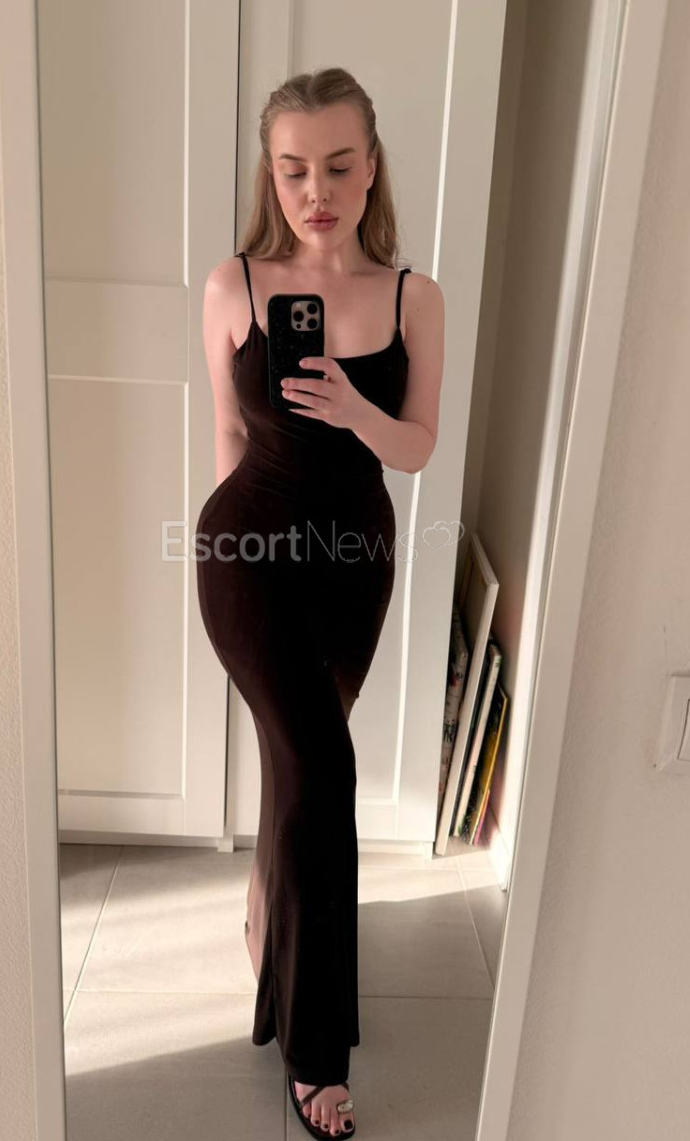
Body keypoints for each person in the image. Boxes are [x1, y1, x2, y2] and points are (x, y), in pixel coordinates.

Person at [195, 66, 443, 1139]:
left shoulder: (413, 297)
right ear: (271, 173)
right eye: (293, 169)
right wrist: (232, 546)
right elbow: (228, 431)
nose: (316, 192)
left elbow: (416, 447)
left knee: (299, 766)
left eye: (339, 166)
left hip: (352, 561)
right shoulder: (236, 286)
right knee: (323, 770)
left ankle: (265, 913)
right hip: (248, 553)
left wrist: (352, 408)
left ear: (372, 166)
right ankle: (315, 1057)